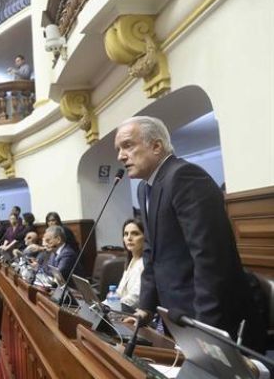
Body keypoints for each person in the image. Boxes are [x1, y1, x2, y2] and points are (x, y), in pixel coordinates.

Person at [115, 115, 265, 350]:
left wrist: (205, 330)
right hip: (178, 320)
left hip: (210, 321)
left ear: (156, 146)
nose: (121, 156)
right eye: (119, 149)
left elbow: (211, 259)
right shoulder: (145, 188)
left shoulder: (185, 177)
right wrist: (144, 308)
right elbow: (151, 254)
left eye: (127, 145)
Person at [111, 219, 145, 309]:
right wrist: (104, 304)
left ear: (146, 237)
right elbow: (120, 291)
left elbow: (135, 298)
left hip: (135, 315)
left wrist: (111, 307)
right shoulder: (131, 260)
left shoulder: (145, 263)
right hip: (122, 309)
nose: (129, 238)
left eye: (135, 233)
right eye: (126, 234)